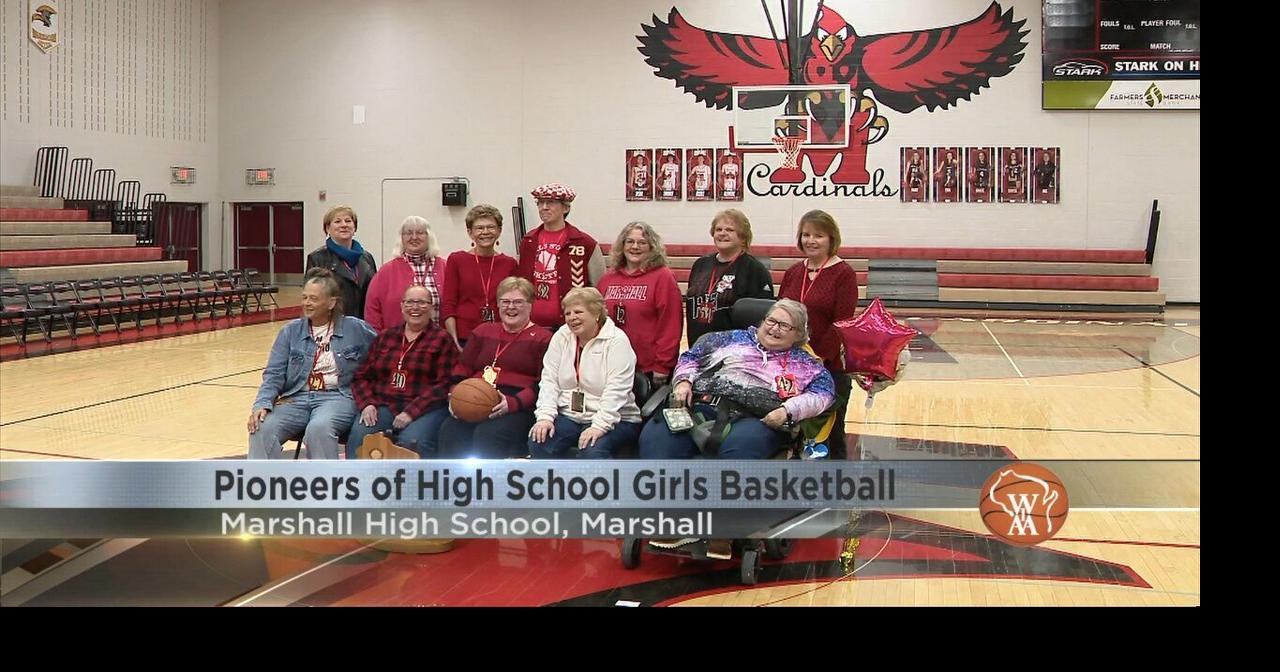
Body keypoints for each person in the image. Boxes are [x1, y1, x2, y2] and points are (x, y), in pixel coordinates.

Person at [247, 269, 376, 459]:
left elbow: (384, 357)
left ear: (331, 302)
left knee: (319, 429)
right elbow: (273, 374)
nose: (307, 303)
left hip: (338, 397)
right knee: (261, 428)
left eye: (314, 299)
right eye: (304, 297)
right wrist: (262, 404)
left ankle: (326, 486)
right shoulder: (289, 332)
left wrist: (371, 398)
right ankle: (263, 485)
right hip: (296, 398)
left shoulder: (356, 328)